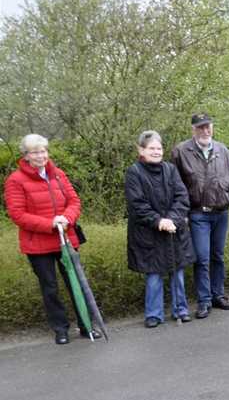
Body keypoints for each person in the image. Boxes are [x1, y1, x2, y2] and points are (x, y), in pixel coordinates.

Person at [3, 134, 100, 344]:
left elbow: (74, 201)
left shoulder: (58, 174)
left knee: (76, 283)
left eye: (43, 151)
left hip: (66, 238)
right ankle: (61, 329)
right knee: (50, 289)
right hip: (38, 245)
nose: (41, 156)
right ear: (26, 155)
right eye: (35, 152)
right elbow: (17, 214)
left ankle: (86, 326)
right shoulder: (15, 180)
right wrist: (50, 224)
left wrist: (67, 218)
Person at [171, 113, 229, 319]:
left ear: (212, 127)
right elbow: (175, 184)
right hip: (197, 214)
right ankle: (204, 301)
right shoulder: (181, 151)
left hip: (221, 213)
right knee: (202, 258)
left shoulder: (223, 150)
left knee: (217, 256)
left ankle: (218, 295)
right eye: (200, 127)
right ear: (193, 130)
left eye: (208, 126)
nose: (205, 131)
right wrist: (183, 211)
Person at [124, 131, 197, 328]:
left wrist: (172, 219)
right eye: (151, 148)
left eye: (159, 148)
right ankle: (154, 314)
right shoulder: (134, 172)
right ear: (141, 150)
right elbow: (137, 204)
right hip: (149, 233)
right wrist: (158, 221)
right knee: (154, 275)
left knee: (177, 271)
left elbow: (182, 197)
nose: (156, 152)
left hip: (173, 229)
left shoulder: (170, 169)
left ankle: (180, 309)